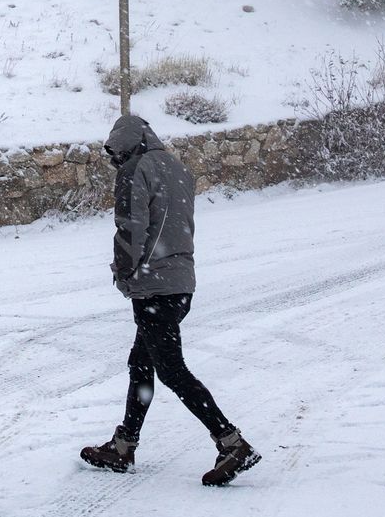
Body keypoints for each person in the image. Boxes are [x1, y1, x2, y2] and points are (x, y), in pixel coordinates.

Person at [80, 114, 261, 486]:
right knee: (141, 364)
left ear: (126, 145)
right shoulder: (177, 167)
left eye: (117, 154)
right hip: (180, 283)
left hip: (153, 284)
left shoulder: (135, 169)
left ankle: (231, 442)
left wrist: (125, 271)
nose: (116, 161)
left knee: (171, 370)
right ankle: (124, 445)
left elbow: (130, 225)